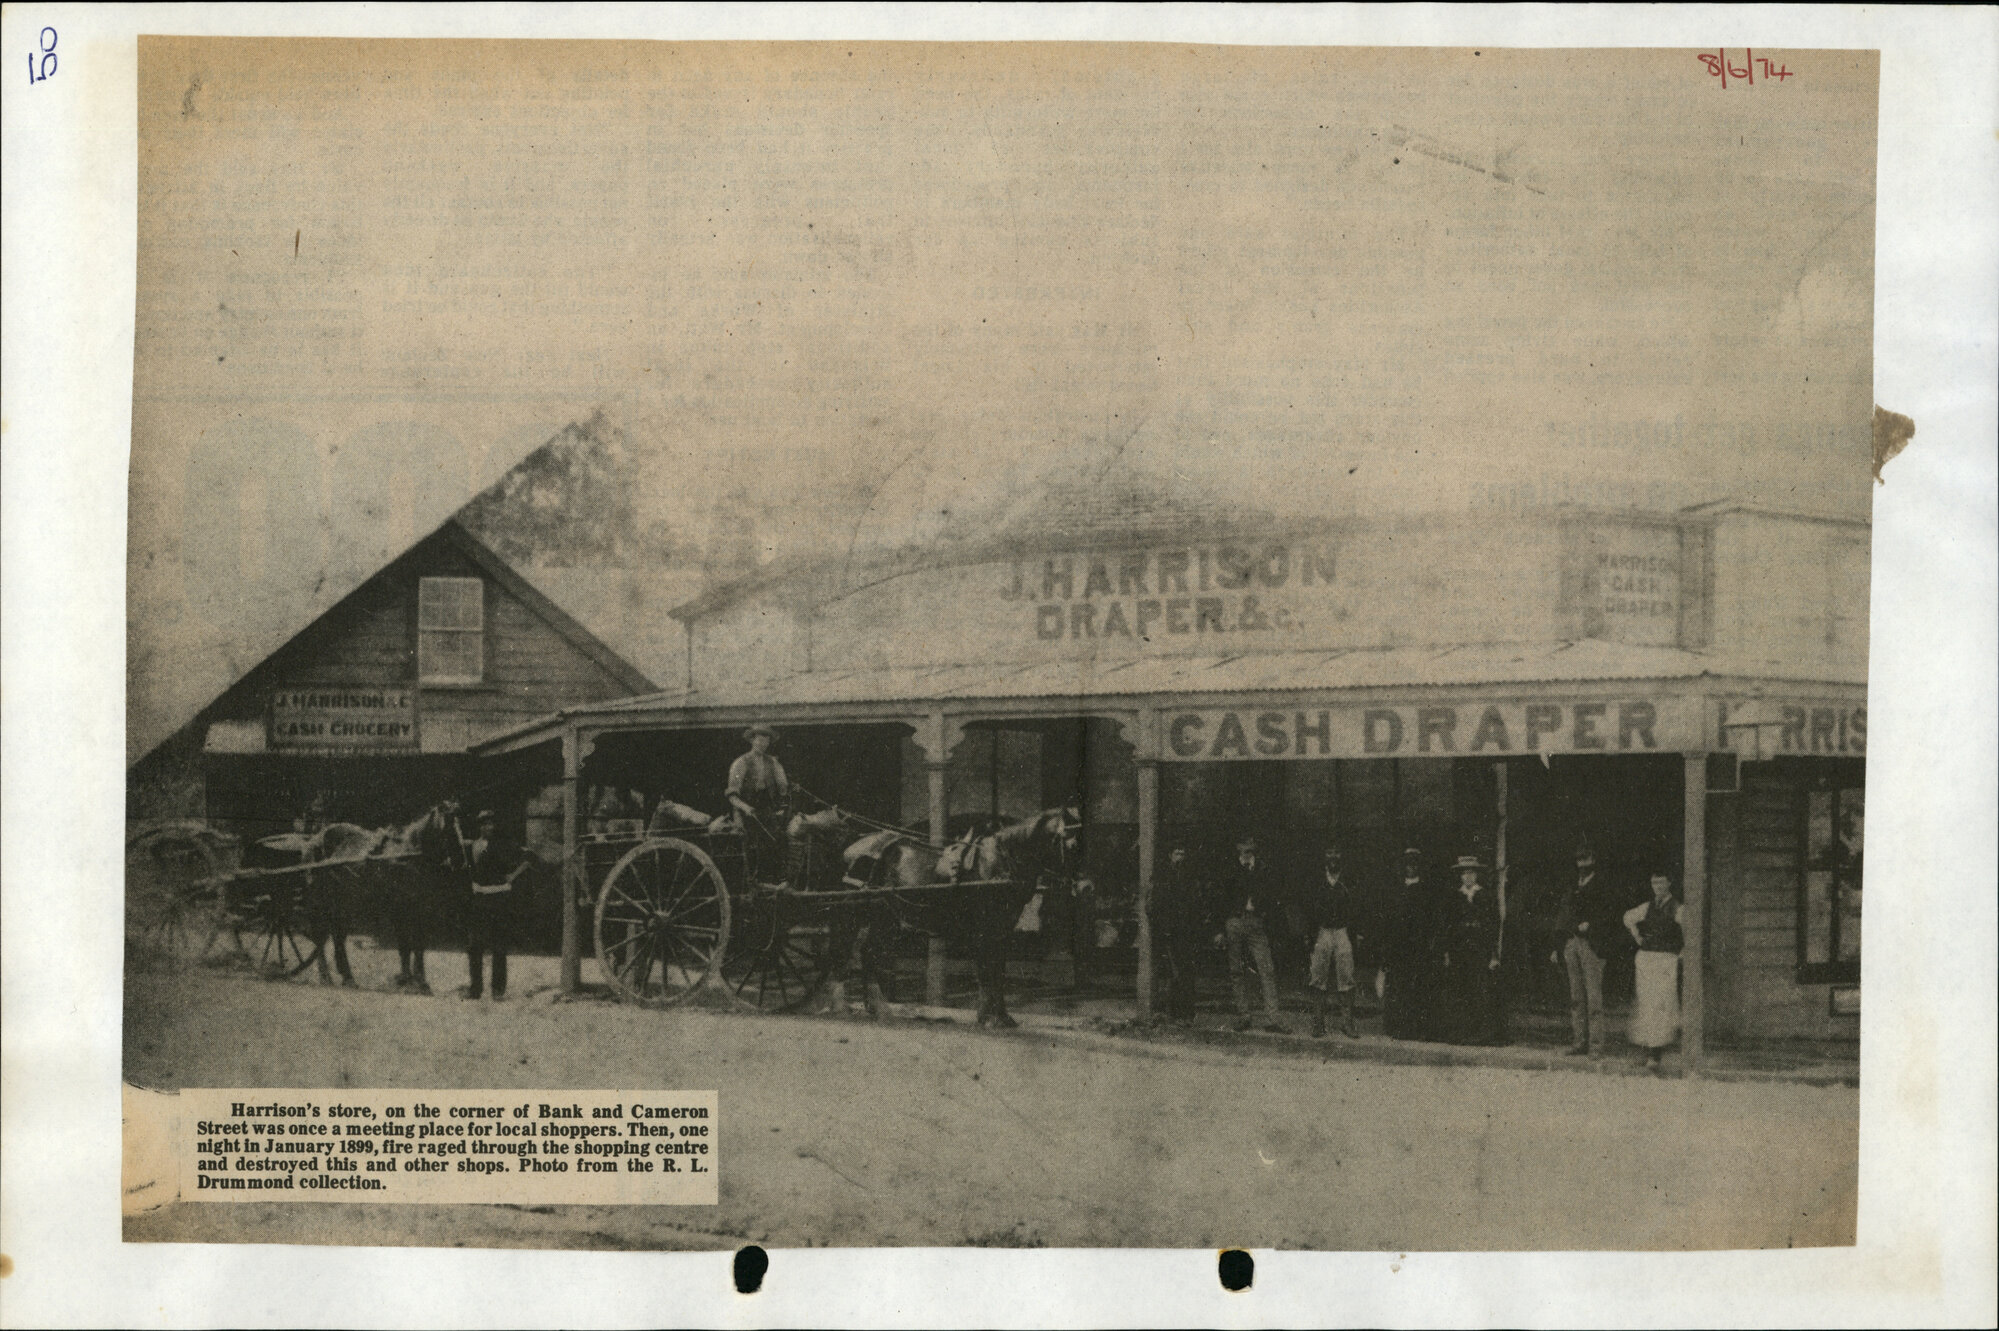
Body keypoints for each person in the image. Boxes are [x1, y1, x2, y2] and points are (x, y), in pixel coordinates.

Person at [1549, 839, 1620, 1057]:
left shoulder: (1603, 885)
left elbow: (1611, 914)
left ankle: (1596, 1046)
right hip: (1571, 943)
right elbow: (1563, 915)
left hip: (1591, 945)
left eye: (1586, 859)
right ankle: (1579, 1042)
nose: (1582, 864)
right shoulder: (1572, 885)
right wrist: (1558, 945)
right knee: (1576, 998)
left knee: (1594, 999)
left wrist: (1592, 924)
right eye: (1579, 860)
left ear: (1593, 860)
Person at [1217, 835, 1289, 1033]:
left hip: (1257, 922)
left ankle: (1273, 1018)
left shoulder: (1263, 869)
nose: (1246, 850)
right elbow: (1220, 898)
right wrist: (1220, 928)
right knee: (1236, 970)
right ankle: (1243, 1015)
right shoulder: (1230, 869)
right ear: (1237, 847)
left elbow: (1274, 895)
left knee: (1266, 969)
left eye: (1250, 847)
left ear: (1254, 847)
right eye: (1243, 847)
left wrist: (1267, 918)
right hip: (1235, 921)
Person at [1440, 854, 1505, 1045]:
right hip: (1459, 951)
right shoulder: (1454, 897)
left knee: (1480, 990)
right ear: (1460, 876)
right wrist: (1447, 951)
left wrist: (1493, 954)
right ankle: (1461, 1033)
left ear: (1476, 876)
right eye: (1464, 874)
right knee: (1461, 989)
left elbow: (1493, 925)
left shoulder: (1486, 896)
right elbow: (1448, 925)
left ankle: (1480, 1034)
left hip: (1480, 950)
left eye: (1471, 873)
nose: (1468, 877)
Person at [1624, 871, 1684, 1071]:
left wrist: (1682, 951)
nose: (1657, 887)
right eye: (1654, 883)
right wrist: (1638, 937)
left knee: (1661, 1004)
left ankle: (1656, 1054)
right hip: (1646, 959)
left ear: (1669, 883)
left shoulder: (1677, 908)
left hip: (1666, 960)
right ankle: (1647, 1049)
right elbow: (1628, 918)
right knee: (1647, 1003)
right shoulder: (1647, 907)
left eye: (1661, 882)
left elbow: (1690, 930)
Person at [463, 810, 525, 1001]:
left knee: (499, 946)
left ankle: (498, 990)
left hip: (499, 899)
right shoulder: (471, 846)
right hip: (479, 900)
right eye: (484, 824)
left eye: (491, 823)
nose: (488, 827)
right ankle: (475, 989)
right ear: (479, 826)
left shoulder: (505, 845)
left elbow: (527, 859)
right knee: (474, 946)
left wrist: (511, 878)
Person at [1377, 846, 1437, 1040]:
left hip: (1419, 946)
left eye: (1414, 864)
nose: (1411, 868)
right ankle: (1398, 1028)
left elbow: (1431, 919)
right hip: (1398, 946)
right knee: (1398, 987)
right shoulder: (1396, 890)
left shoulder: (1426, 891)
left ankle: (1418, 1028)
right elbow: (1388, 919)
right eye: (1408, 864)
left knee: (1418, 987)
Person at [1302, 842, 1360, 1038]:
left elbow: (1356, 908)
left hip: (1343, 931)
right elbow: (1308, 908)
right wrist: (1310, 935)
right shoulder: (1315, 881)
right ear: (1324, 856)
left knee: (1347, 977)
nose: (1333, 857)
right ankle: (1318, 1023)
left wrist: (1355, 932)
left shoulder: (1349, 880)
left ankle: (1347, 1023)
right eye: (1329, 852)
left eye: (1336, 852)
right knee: (1318, 977)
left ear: (1341, 856)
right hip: (1323, 932)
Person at [1152, 841, 1207, 1027]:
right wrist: (1160, 926)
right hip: (1166, 930)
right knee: (1168, 971)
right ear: (1170, 855)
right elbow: (1153, 904)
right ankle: (1167, 1012)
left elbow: (1197, 903)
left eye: (1182, 854)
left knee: (1185, 971)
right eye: (1176, 854)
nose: (1180, 858)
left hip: (1185, 930)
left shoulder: (1190, 878)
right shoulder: (1161, 876)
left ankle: (1185, 1013)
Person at [727, 723, 791, 884]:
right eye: (760, 740)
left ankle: (771, 880)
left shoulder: (772, 762)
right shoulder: (741, 762)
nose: (763, 744)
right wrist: (745, 807)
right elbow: (732, 795)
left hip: (765, 809)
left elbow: (783, 788)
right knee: (748, 844)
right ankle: (750, 881)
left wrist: (783, 790)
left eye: (766, 740)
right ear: (752, 741)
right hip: (744, 810)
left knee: (777, 839)